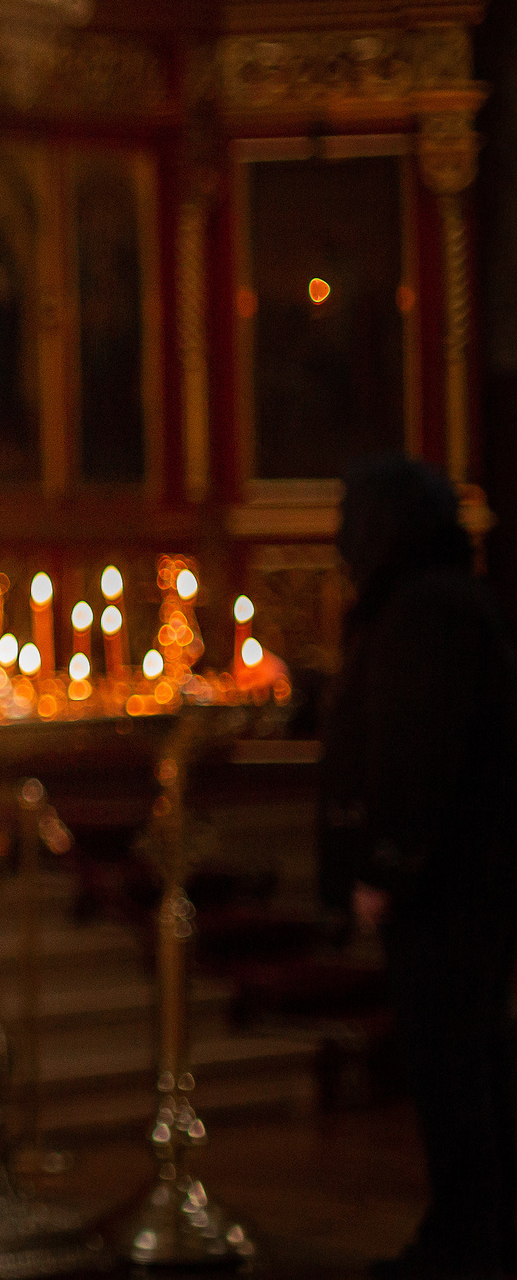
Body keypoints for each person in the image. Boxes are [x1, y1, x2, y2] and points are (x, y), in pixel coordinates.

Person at [322, 455, 517, 1280]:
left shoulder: (425, 609)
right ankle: (469, 1231)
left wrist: (386, 865)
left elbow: (418, 754)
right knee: (454, 1066)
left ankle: (469, 1242)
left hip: (450, 889)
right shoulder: (435, 600)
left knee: (456, 1070)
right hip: (460, 881)